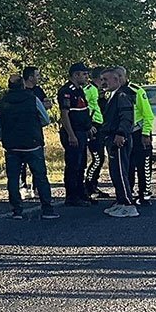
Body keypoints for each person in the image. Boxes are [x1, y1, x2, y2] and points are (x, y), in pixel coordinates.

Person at [0, 76, 57, 220]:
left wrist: (5, 137)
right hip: (32, 143)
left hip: (12, 145)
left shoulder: (1, 102)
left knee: (13, 178)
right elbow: (45, 119)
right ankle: (47, 209)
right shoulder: (33, 99)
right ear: (22, 85)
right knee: (40, 176)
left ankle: (17, 210)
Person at [98, 67, 138, 218]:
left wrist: (121, 133)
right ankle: (120, 201)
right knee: (115, 171)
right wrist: (102, 99)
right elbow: (109, 114)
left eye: (106, 80)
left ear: (117, 79)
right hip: (111, 137)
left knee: (121, 171)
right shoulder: (112, 95)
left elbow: (126, 116)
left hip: (119, 138)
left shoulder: (122, 95)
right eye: (102, 80)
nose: (103, 83)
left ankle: (128, 204)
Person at [57, 62, 96, 206]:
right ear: (76, 75)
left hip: (82, 131)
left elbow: (83, 112)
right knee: (73, 164)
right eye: (84, 74)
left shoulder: (80, 90)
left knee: (81, 164)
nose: (87, 77)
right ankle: (72, 195)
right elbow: (65, 114)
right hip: (73, 132)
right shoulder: (67, 91)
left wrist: (88, 127)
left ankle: (81, 193)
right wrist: (71, 135)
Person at [18, 66, 51, 199]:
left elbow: (44, 106)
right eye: (37, 75)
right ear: (30, 77)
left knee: (37, 159)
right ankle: (22, 186)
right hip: (20, 130)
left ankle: (36, 187)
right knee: (21, 161)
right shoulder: (20, 91)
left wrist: (46, 106)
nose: (39, 78)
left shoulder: (38, 91)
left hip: (36, 130)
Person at [124, 70, 155, 206]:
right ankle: (128, 193)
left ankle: (145, 195)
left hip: (139, 132)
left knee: (144, 165)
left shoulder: (136, 91)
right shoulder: (113, 93)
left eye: (120, 76)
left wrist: (146, 133)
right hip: (125, 133)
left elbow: (148, 115)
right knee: (128, 165)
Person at [84, 67, 110, 198]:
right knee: (97, 158)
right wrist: (89, 125)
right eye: (103, 79)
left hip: (101, 127)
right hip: (93, 127)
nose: (105, 82)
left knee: (100, 158)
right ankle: (88, 185)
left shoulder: (100, 92)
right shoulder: (89, 90)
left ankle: (93, 185)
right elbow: (83, 108)